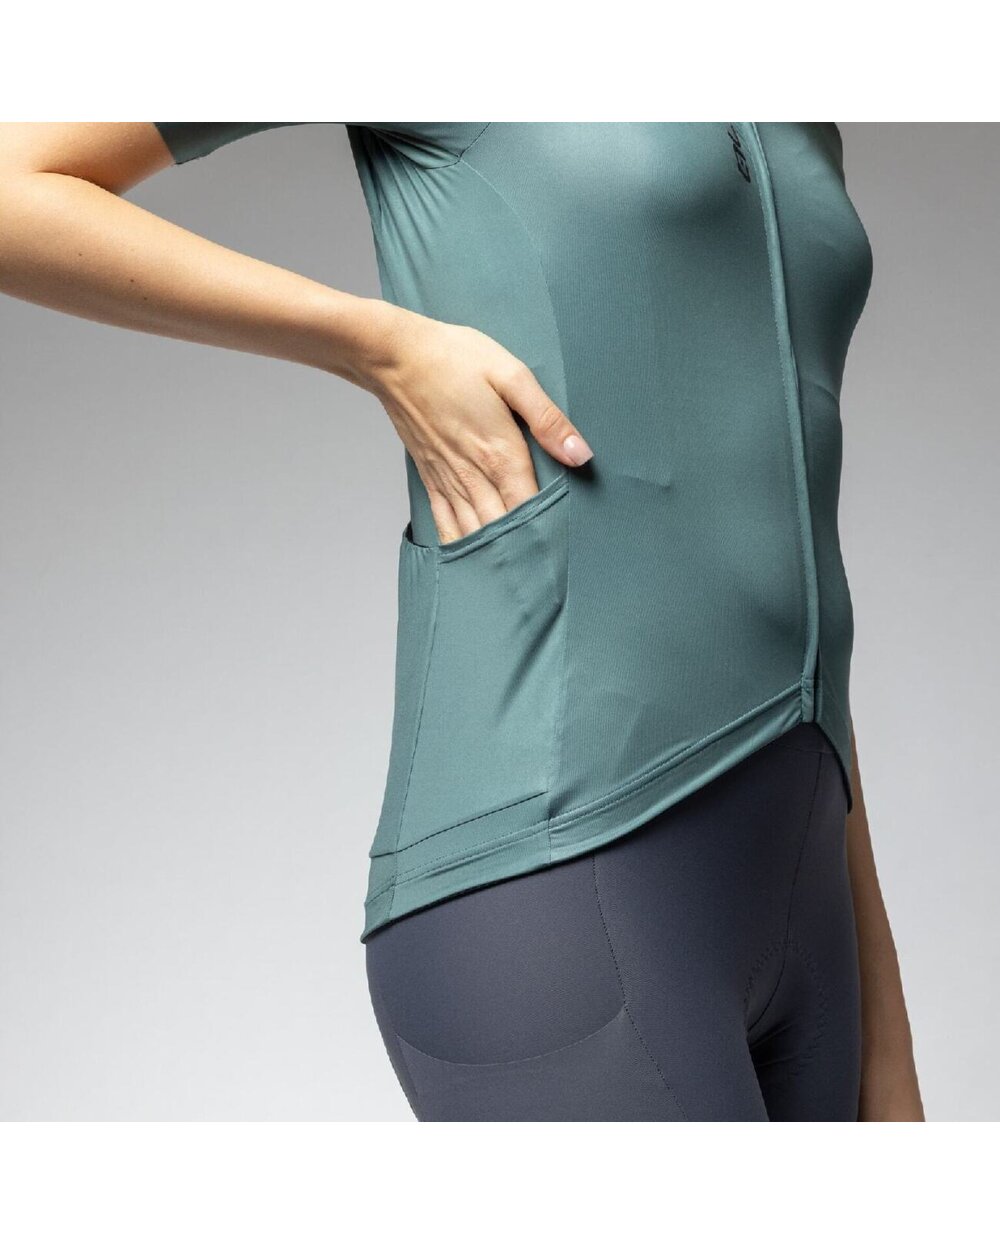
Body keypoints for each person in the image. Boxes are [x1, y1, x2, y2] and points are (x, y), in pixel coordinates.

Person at [0, 122, 923, 1120]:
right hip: (558, 875)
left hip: (810, 905)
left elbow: (797, 610)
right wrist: (374, 344)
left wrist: (885, 1020)